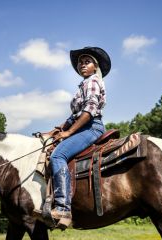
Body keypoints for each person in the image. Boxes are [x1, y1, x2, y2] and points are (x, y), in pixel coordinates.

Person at [45, 46, 111, 229]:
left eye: (87, 61)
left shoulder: (92, 82)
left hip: (91, 127)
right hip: (83, 125)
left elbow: (89, 111)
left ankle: (63, 207)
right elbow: (74, 115)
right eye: (80, 62)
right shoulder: (84, 84)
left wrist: (68, 132)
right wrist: (56, 130)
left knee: (58, 155)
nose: (82, 65)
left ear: (95, 66)